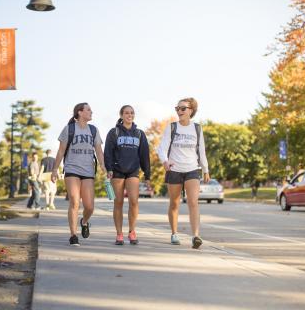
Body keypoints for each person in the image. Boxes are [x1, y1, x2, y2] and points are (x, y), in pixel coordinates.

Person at [157, 97, 209, 249]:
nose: (179, 111)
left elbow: (201, 150)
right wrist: (165, 161)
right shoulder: (172, 127)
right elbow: (162, 148)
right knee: (174, 203)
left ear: (191, 110)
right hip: (174, 169)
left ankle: (196, 236)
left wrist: (205, 169)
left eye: (183, 108)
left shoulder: (197, 128)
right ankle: (174, 233)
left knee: (193, 202)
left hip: (192, 169)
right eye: (177, 108)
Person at [51, 103, 106, 246]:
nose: (91, 112)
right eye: (88, 110)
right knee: (75, 201)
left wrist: (103, 166)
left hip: (88, 171)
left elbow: (99, 151)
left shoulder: (93, 130)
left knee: (89, 207)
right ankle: (73, 235)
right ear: (80, 112)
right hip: (72, 170)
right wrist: (55, 169)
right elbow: (61, 151)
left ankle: (84, 221)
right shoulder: (69, 129)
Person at [104, 105, 150, 245]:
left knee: (134, 201)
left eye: (132, 113)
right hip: (117, 171)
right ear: (121, 115)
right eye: (126, 113)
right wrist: (109, 168)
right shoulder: (114, 132)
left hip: (133, 171)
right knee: (118, 202)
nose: (129, 115)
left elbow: (144, 155)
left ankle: (132, 231)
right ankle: (119, 234)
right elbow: (108, 152)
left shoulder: (139, 134)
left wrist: (147, 175)